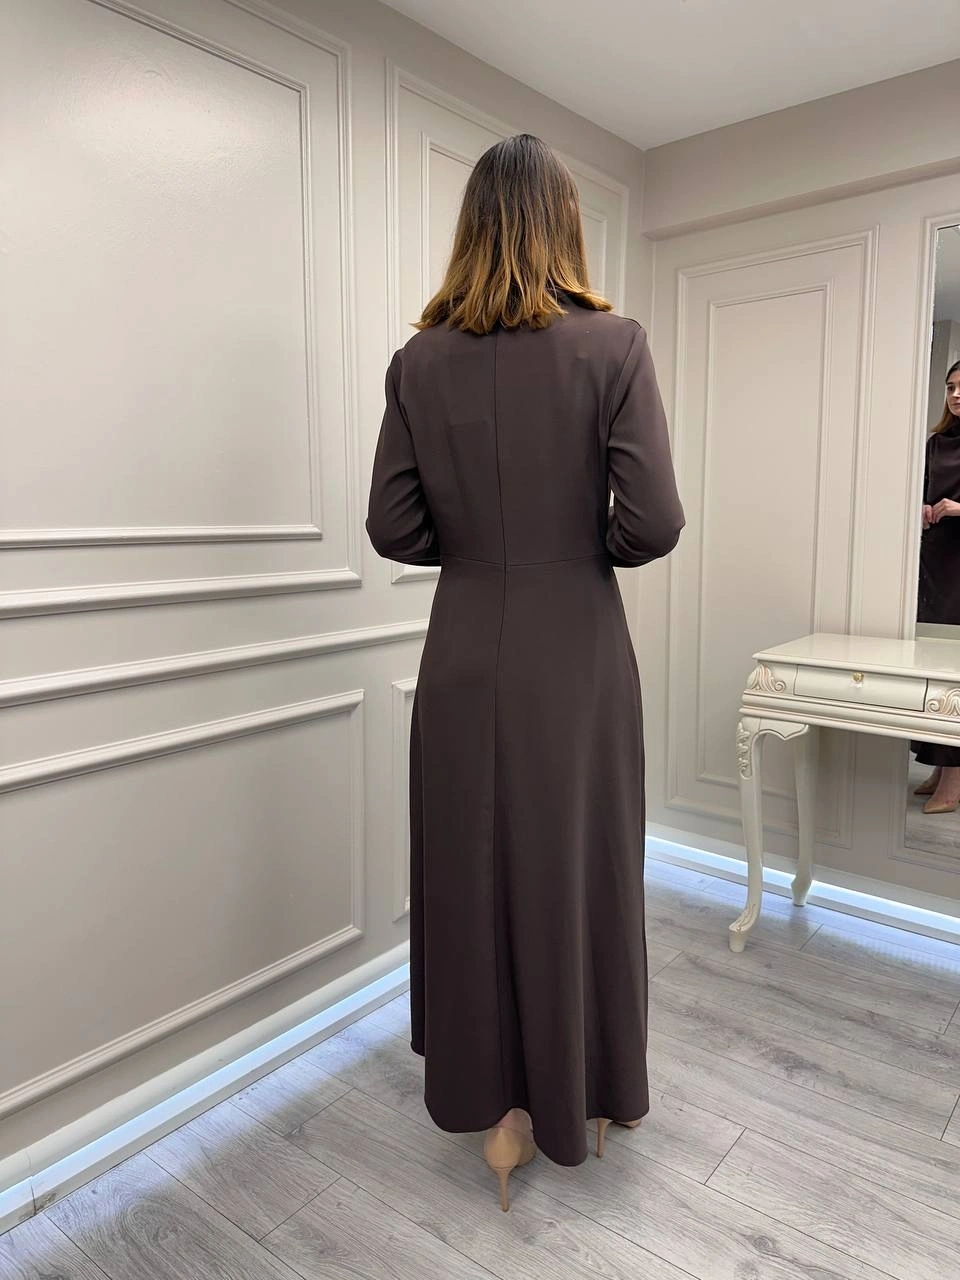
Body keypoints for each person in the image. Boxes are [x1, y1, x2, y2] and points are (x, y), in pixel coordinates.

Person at [366, 134, 684, 1210]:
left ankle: (498, 1112)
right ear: (566, 224)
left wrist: (477, 544)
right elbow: (653, 523)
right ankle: (591, 1090)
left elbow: (392, 527)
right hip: (576, 648)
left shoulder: (418, 363)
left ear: (473, 227)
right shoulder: (615, 345)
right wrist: (572, 538)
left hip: (463, 646)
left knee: (472, 871)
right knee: (581, 865)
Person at [913, 358, 960, 813]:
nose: (956, 394)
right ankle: (936, 764)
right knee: (929, 663)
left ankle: (954, 777)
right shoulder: (935, 443)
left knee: (953, 672)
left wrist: (958, 509)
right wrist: (924, 508)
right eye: (950, 387)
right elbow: (921, 488)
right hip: (934, 560)